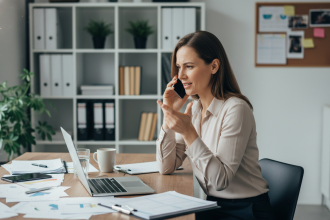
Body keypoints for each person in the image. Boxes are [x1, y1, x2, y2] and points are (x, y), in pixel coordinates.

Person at [156, 31, 276, 220]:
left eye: (189, 66)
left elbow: (220, 180)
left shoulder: (236, 109)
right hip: (214, 205)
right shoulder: (194, 109)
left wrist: (188, 132)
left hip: (246, 211)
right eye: (179, 67)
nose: (180, 76)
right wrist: (169, 115)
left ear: (214, 66)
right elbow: (166, 166)